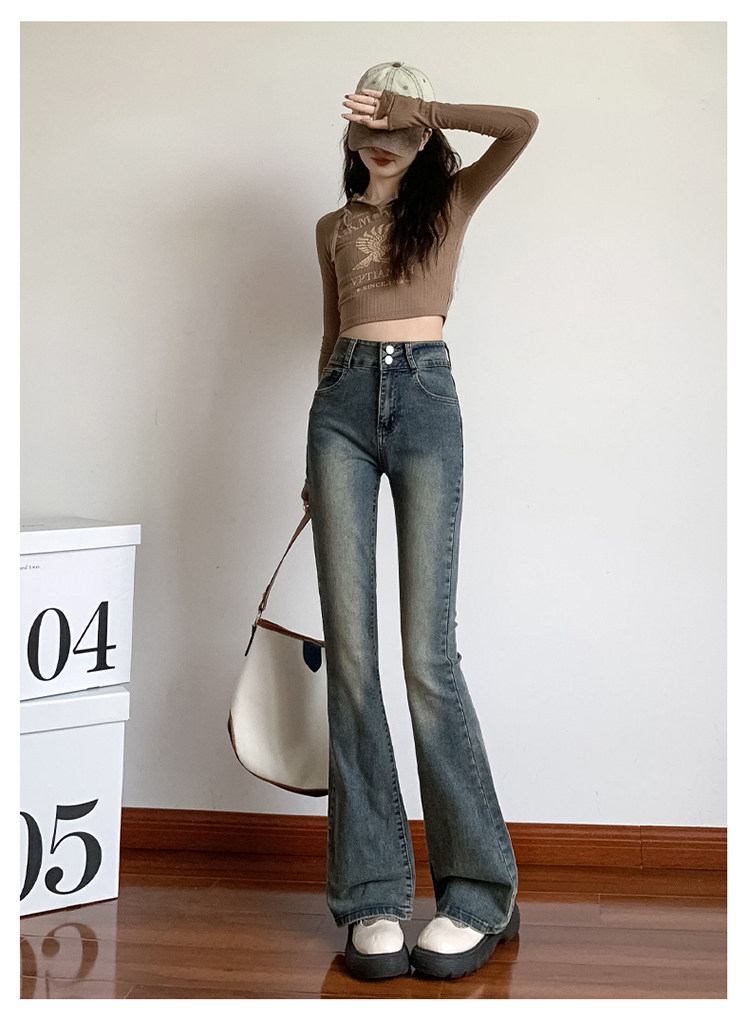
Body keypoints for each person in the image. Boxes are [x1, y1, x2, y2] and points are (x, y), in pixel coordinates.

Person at [303, 61, 538, 981]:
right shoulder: (332, 229)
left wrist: (428, 109)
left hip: (428, 403)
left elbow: (522, 124)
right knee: (352, 659)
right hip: (339, 412)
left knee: (426, 659)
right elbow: (330, 340)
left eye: (400, 129)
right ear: (350, 133)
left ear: (424, 134)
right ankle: (371, 894)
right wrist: (313, 469)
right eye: (371, 124)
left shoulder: (450, 204)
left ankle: (479, 893)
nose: (384, 143)